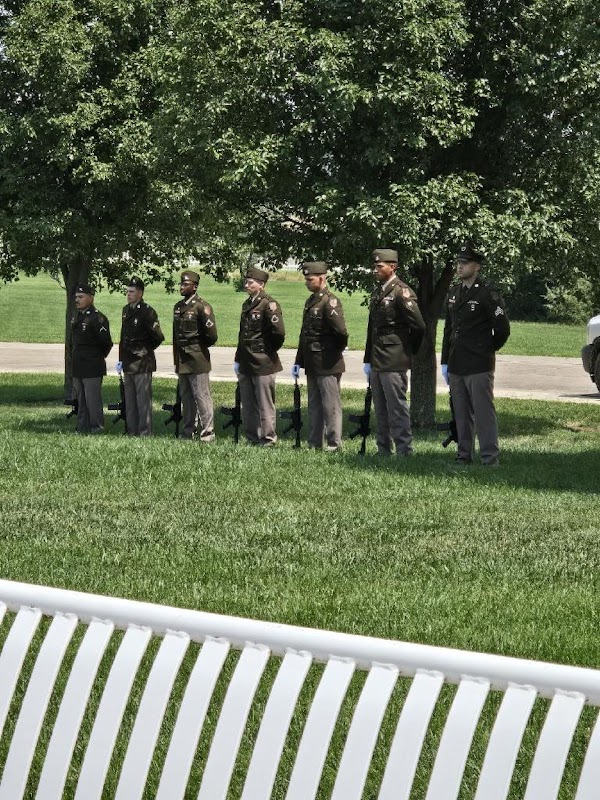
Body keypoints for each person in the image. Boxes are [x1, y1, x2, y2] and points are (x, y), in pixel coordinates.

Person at [441, 242, 510, 466]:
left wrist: (488, 348)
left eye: (465, 263)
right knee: (461, 413)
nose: (460, 267)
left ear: (476, 266)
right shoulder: (454, 293)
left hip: (479, 362)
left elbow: (502, 328)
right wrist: (445, 362)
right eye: (458, 263)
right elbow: (448, 330)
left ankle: (490, 458)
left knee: (483, 414)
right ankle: (464, 455)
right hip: (457, 362)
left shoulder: (487, 293)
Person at [363, 248, 426, 456]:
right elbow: (373, 328)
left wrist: (408, 351)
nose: (376, 270)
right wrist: (367, 358)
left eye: (380, 266)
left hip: (394, 357)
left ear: (393, 267)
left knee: (396, 407)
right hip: (378, 357)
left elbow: (418, 326)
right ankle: (383, 450)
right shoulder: (379, 290)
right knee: (380, 407)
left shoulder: (401, 291)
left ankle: (404, 450)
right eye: (375, 266)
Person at [292, 261, 348, 451]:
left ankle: (334, 445)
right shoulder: (311, 301)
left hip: (328, 362)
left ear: (322, 278)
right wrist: (299, 361)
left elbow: (341, 333)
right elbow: (305, 334)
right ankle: (315, 443)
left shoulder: (330, 301)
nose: (306, 283)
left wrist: (333, 352)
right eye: (306, 279)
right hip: (312, 362)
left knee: (331, 406)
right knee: (314, 405)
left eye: (310, 279)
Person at [234, 266, 285, 446]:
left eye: (250, 282)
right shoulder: (247, 304)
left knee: (265, 404)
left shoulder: (269, 304)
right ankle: (252, 437)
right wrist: (238, 359)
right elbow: (243, 335)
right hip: (246, 361)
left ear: (261, 285)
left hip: (263, 362)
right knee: (248, 403)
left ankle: (268, 439)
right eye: (246, 281)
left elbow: (278, 334)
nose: (246, 284)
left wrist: (266, 351)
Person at [173, 269, 218, 441]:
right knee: (186, 397)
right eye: (181, 284)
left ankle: (208, 433)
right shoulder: (178, 307)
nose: (182, 287)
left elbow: (212, 335)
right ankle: (187, 431)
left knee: (202, 396)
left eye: (185, 284)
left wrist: (198, 348)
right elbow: (176, 337)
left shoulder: (201, 307)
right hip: (183, 359)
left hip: (198, 359)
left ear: (195, 286)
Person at [117, 277, 165, 436]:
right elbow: (123, 336)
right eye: (127, 291)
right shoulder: (126, 310)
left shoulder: (147, 311)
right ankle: (132, 431)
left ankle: (145, 433)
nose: (128, 294)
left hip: (142, 362)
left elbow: (157, 336)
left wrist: (145, 351)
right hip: (128, 362)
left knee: (142, 401)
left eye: (132, 292)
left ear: (140, 293)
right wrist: (121, 358)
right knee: (130, 401)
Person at [71, 283, 113, 434]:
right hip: (79, 366)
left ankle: (97, 428)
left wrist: (95, 357)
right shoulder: (78, 317)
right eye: (76, 297)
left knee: (92, 400)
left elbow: (106, 343)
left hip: (92, 366)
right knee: (81, 401)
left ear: (91, 298)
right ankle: (82, 428)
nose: (77, 300)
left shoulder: (98, 318)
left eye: (81, 297)